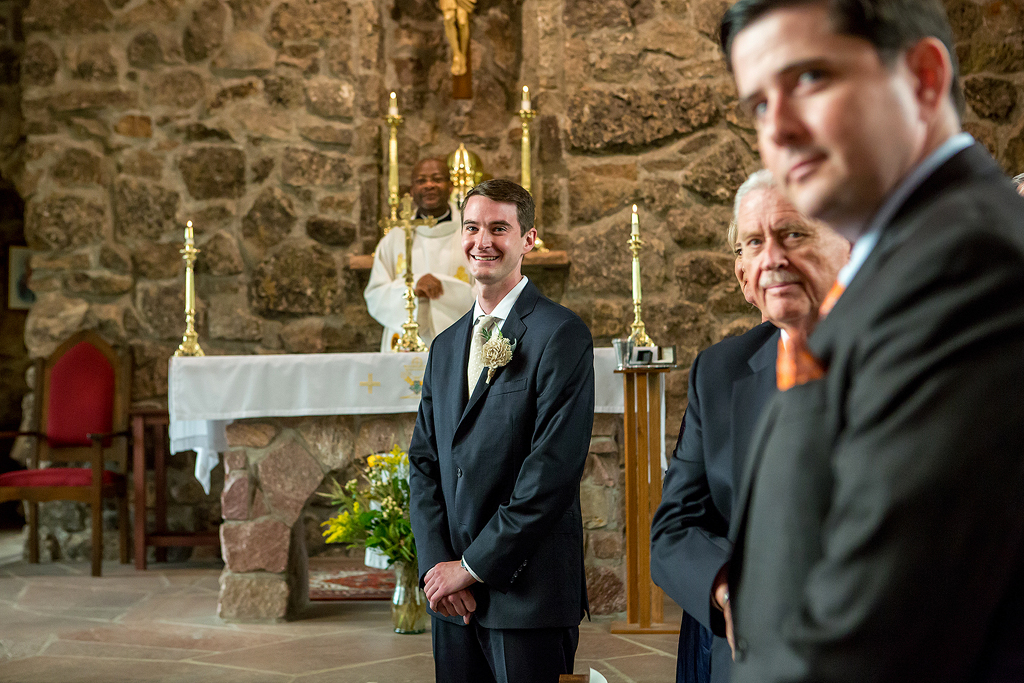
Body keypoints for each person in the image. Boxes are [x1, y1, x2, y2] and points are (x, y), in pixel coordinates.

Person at [719, 0, 1024, 680]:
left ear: (922, 77)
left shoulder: (968, 267)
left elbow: (876, 635)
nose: (781, 130)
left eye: (808, 80)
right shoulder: (897, 262)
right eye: (760, 106)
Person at [650, 170, 848, 683]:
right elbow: (674, 529)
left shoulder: (907, 355)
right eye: (754, 242)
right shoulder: (719, 372)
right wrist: (730, 588)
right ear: (743, 278)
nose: (772, 258)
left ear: (844, 246)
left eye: (793, 234)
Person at [408, 178, 594, 683]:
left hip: (526, 594)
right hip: (451, 600)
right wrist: (437, 570)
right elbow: (424, 465)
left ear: (528, 239)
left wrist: (471, 567)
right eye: (471, 228)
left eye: (498, 228)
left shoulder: (560, 334)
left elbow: (551, 473)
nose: (481, 241)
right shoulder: (444, 346)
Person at [364, 157, 475, 352]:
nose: (429, 185)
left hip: (457, 339)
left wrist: (444, 288)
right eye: (421, 180)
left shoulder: (470, 236)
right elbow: (375, 295)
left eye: (437, 179)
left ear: (450, 187)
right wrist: (414, 287)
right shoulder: (395, 238)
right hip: (404, 346)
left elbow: (487, 291)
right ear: (412, 189)